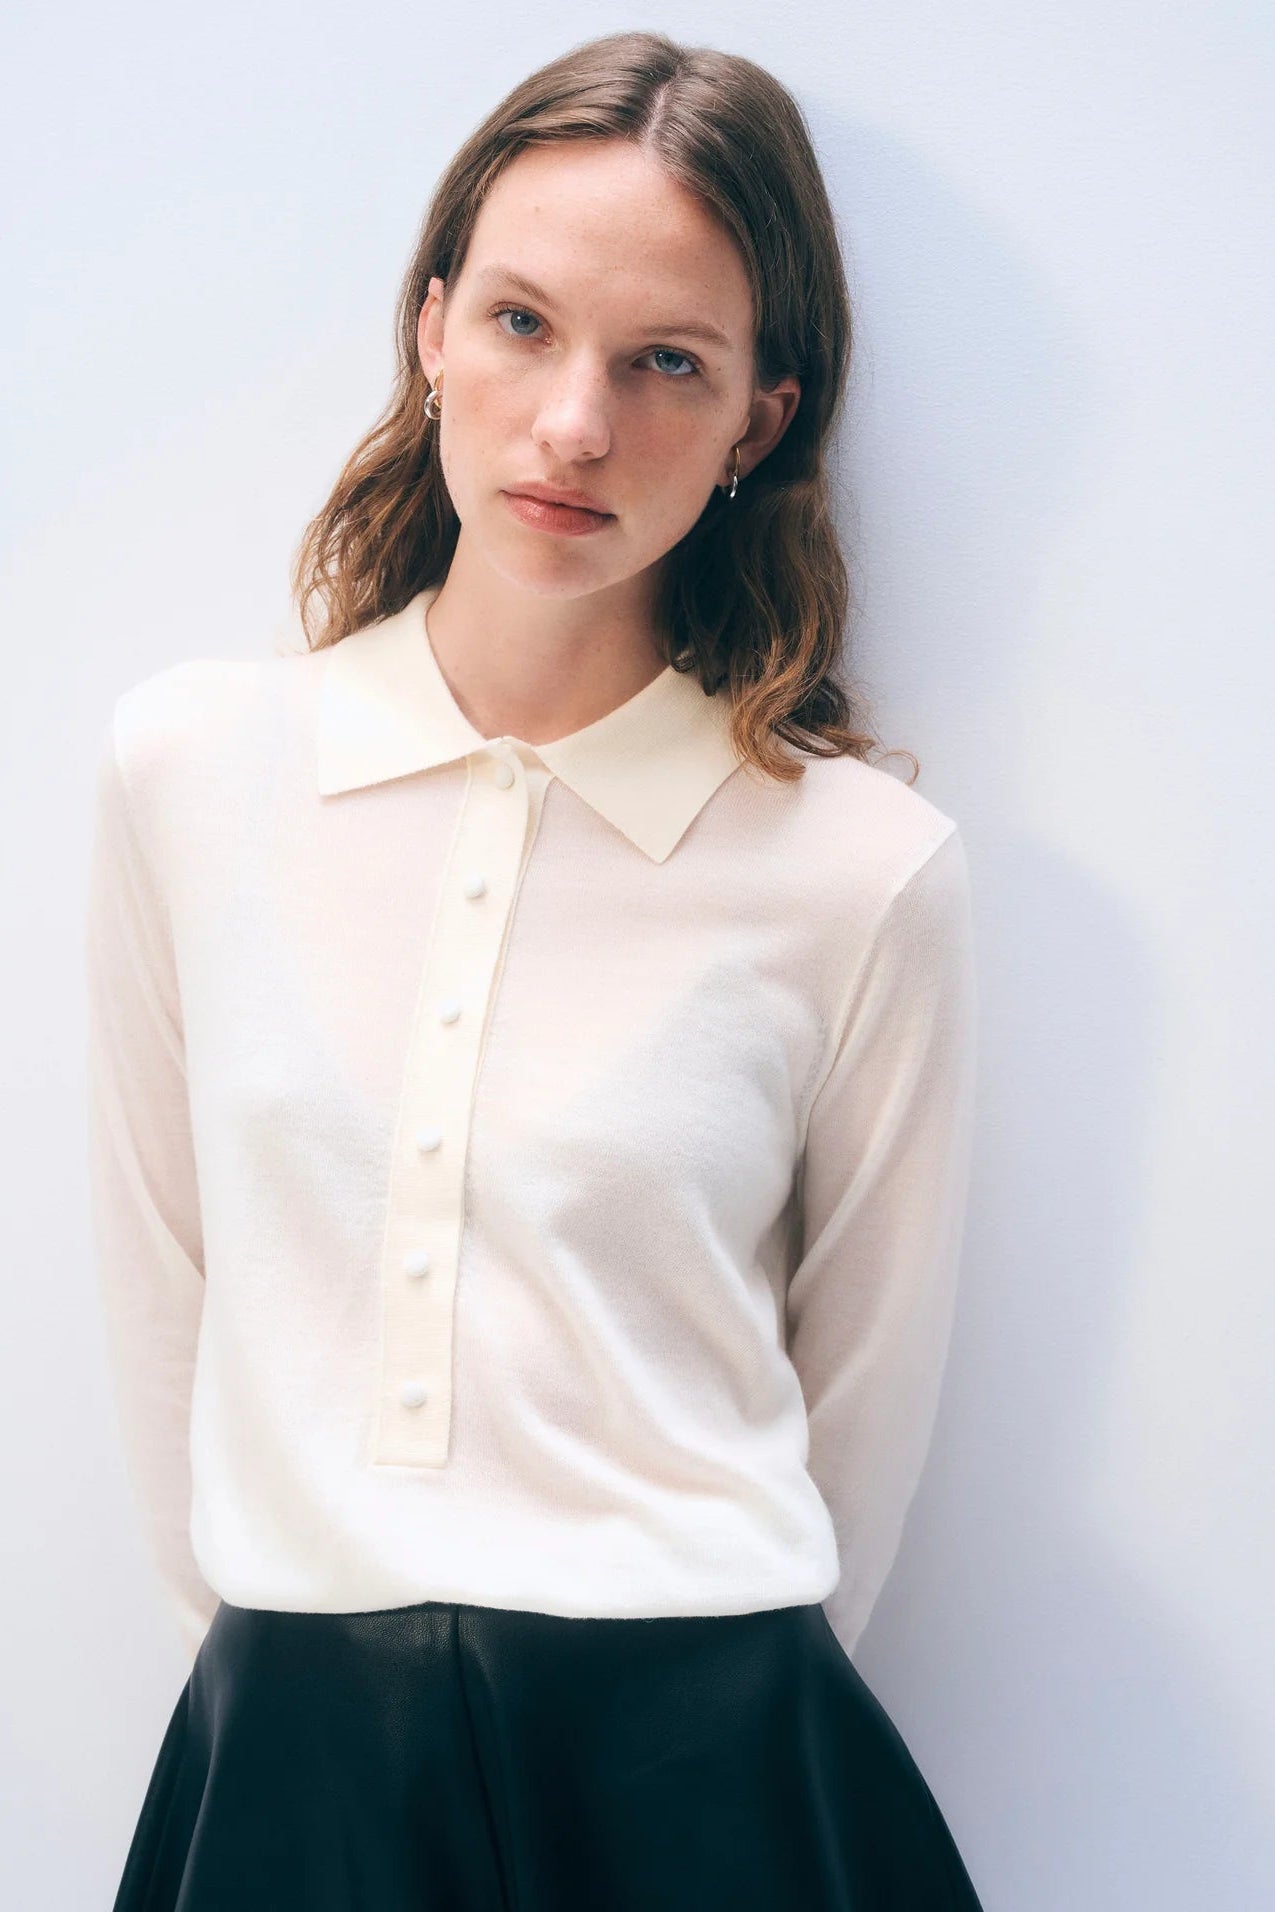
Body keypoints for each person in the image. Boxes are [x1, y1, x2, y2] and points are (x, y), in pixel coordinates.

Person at [84, 28, 984, 1911]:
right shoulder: (191, 772)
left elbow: (862, 1424)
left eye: (668, 362)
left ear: (759, 421)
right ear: (429, 329)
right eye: (519, 324)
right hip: (296, 1756)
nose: (577, 422)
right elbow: (168, 1283)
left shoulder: (860, 871)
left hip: (717, 1771)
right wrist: (291, 1657)